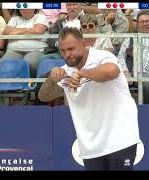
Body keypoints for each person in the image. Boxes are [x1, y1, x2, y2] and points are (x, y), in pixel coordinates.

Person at [38, 27, 141, 170]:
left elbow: (111, 71)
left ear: (84, 44)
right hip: (90, 145)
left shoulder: (102, 56)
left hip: (120, 137)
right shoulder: (66, 70)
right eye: (63, 51)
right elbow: (43, 97)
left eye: (71, 49)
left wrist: (81, 74)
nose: (68, 54)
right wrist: (52, 79)